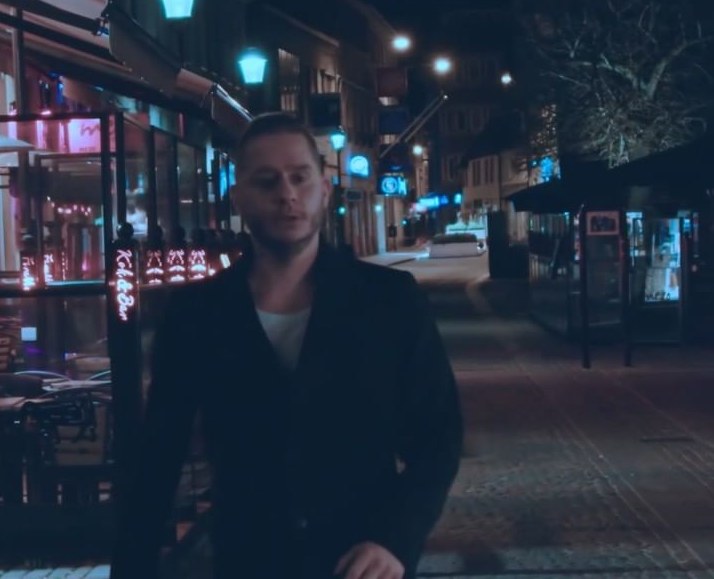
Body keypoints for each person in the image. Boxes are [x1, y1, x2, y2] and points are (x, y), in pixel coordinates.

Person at [112, 113, 463, 579]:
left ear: (324, 189)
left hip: (360, 562)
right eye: (267, 181)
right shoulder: (197, 313)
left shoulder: (389, 301)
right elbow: (157, 457)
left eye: (300, 177)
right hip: (249, 561)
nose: (287, 194)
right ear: (238, 198)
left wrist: (396, 540)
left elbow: (438, 436)